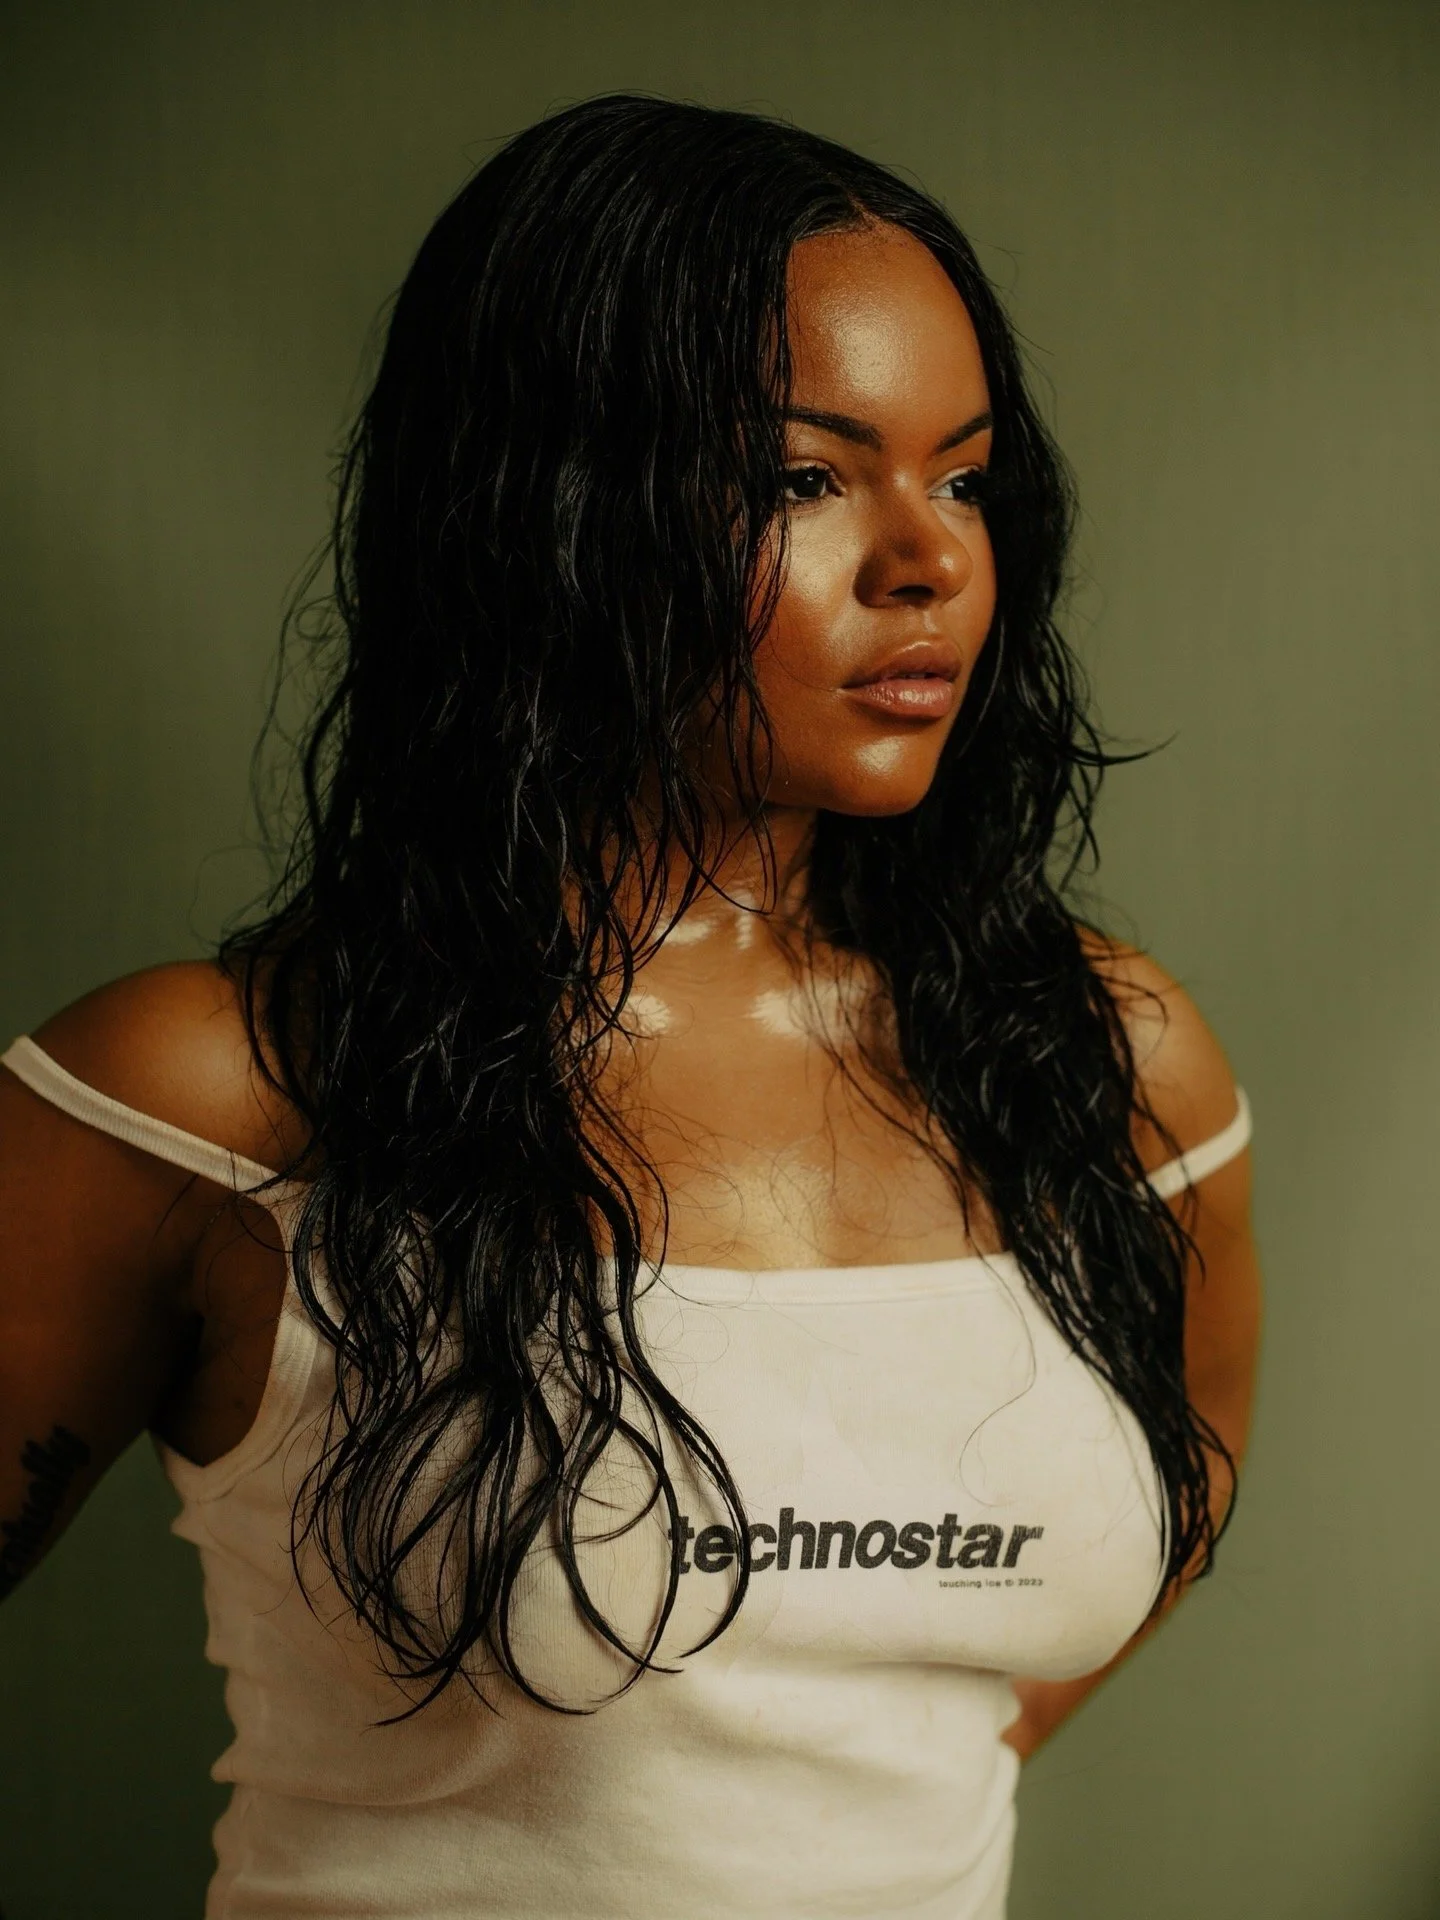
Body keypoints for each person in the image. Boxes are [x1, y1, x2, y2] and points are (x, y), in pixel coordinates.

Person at [0, 95, 1261, 1920]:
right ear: (546, 512)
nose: (930, 558)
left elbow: (1187, 1464)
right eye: (800, 477)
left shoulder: (1102, 1057)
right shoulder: (213, 1095)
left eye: (965, 474)